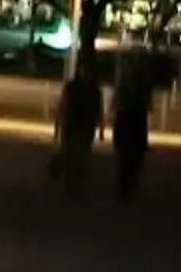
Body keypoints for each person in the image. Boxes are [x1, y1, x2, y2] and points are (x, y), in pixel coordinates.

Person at [50, 61, 102, 192]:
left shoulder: (83, 88)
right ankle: (72, 182)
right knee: (74, 154)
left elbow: (63, 105)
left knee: (78, 155)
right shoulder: (88, 89)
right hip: (74, 124)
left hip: (81, 125)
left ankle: (75, 182)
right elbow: (63, 105)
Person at [111, 56, 152, 202]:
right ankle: (126, 190)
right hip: (131, 130)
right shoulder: (140, 91)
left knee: (128, 163)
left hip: (131, 130)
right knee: (128, 163)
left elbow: (115, 109)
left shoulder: (134, 91)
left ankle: (126, 189)